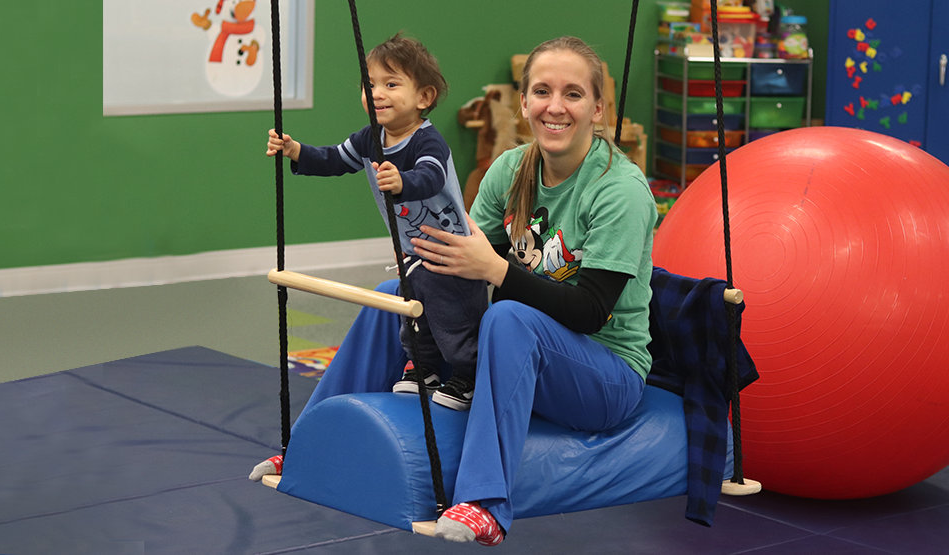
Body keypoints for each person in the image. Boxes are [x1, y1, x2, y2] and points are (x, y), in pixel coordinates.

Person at [251, 36, 657, 547]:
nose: (555, 106)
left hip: (606, 373)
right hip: (530, 345)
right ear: (525, 101)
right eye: (541, 91)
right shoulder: (512, 170)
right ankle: (305, 443)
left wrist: (498, 270)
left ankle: (485, 504)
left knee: (509, 319)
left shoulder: (619, 191)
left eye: (573, 94)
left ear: (598, 108)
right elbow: (458, 260)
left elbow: (592, 312)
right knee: (397, 292)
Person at [263, 32, 488, 410]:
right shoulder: (371, 139)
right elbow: (335, 159)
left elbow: (431, 177)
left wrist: (403, 181)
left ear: (424, 98)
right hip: (414, 250)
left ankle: (469, 375)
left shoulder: (426, 142)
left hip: (454, 254)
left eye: (391, 84)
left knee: (456, 321)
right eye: (369, 85)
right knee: (414, 314)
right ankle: (425, 368)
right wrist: (295, 150)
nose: (377, 93)